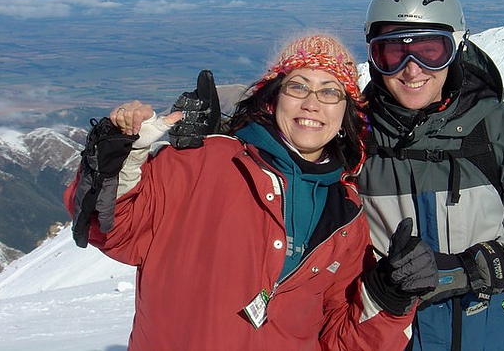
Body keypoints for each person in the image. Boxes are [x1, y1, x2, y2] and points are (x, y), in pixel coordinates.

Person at [64, 33, 439, 351]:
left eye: (330, 92)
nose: (312, 103)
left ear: (345, 114)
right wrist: (118, 155)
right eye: (298, 86)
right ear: (273, 98)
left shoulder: (346, 216)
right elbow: (110, 227)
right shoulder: (205, 162)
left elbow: (340, 340)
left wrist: (389, 296)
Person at [357, 0, 504, 350]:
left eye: (431, 51)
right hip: (386, 337)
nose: (412, 69)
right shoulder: (355, 138)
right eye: (393, 52)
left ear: (457, 49)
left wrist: (476, 268)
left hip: (482, 335)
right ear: (373, 56)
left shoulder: (495, 129)